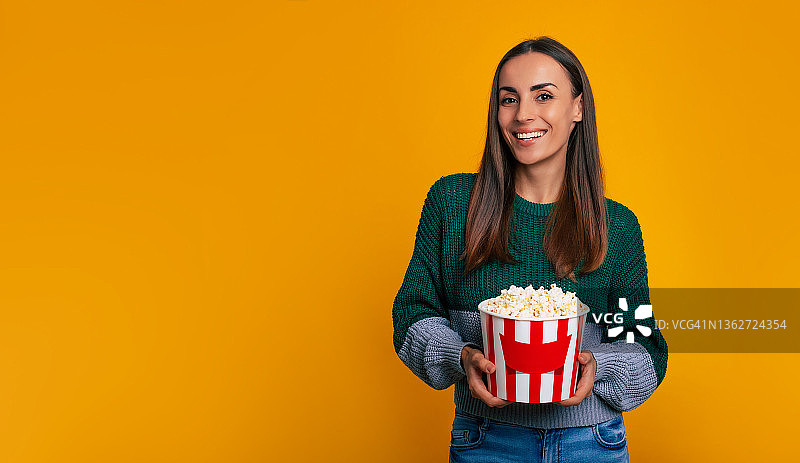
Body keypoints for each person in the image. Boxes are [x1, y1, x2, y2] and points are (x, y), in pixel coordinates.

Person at [391, 36, 668, 462]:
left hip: (591, 442)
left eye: (544, 96)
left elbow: (645, 349)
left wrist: (599, 366)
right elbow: (412, 313)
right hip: (486, 439)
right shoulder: (452, 204)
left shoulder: (617, 226)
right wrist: (461, 356)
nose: (523, 115)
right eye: (508, 99)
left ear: (577, 107)